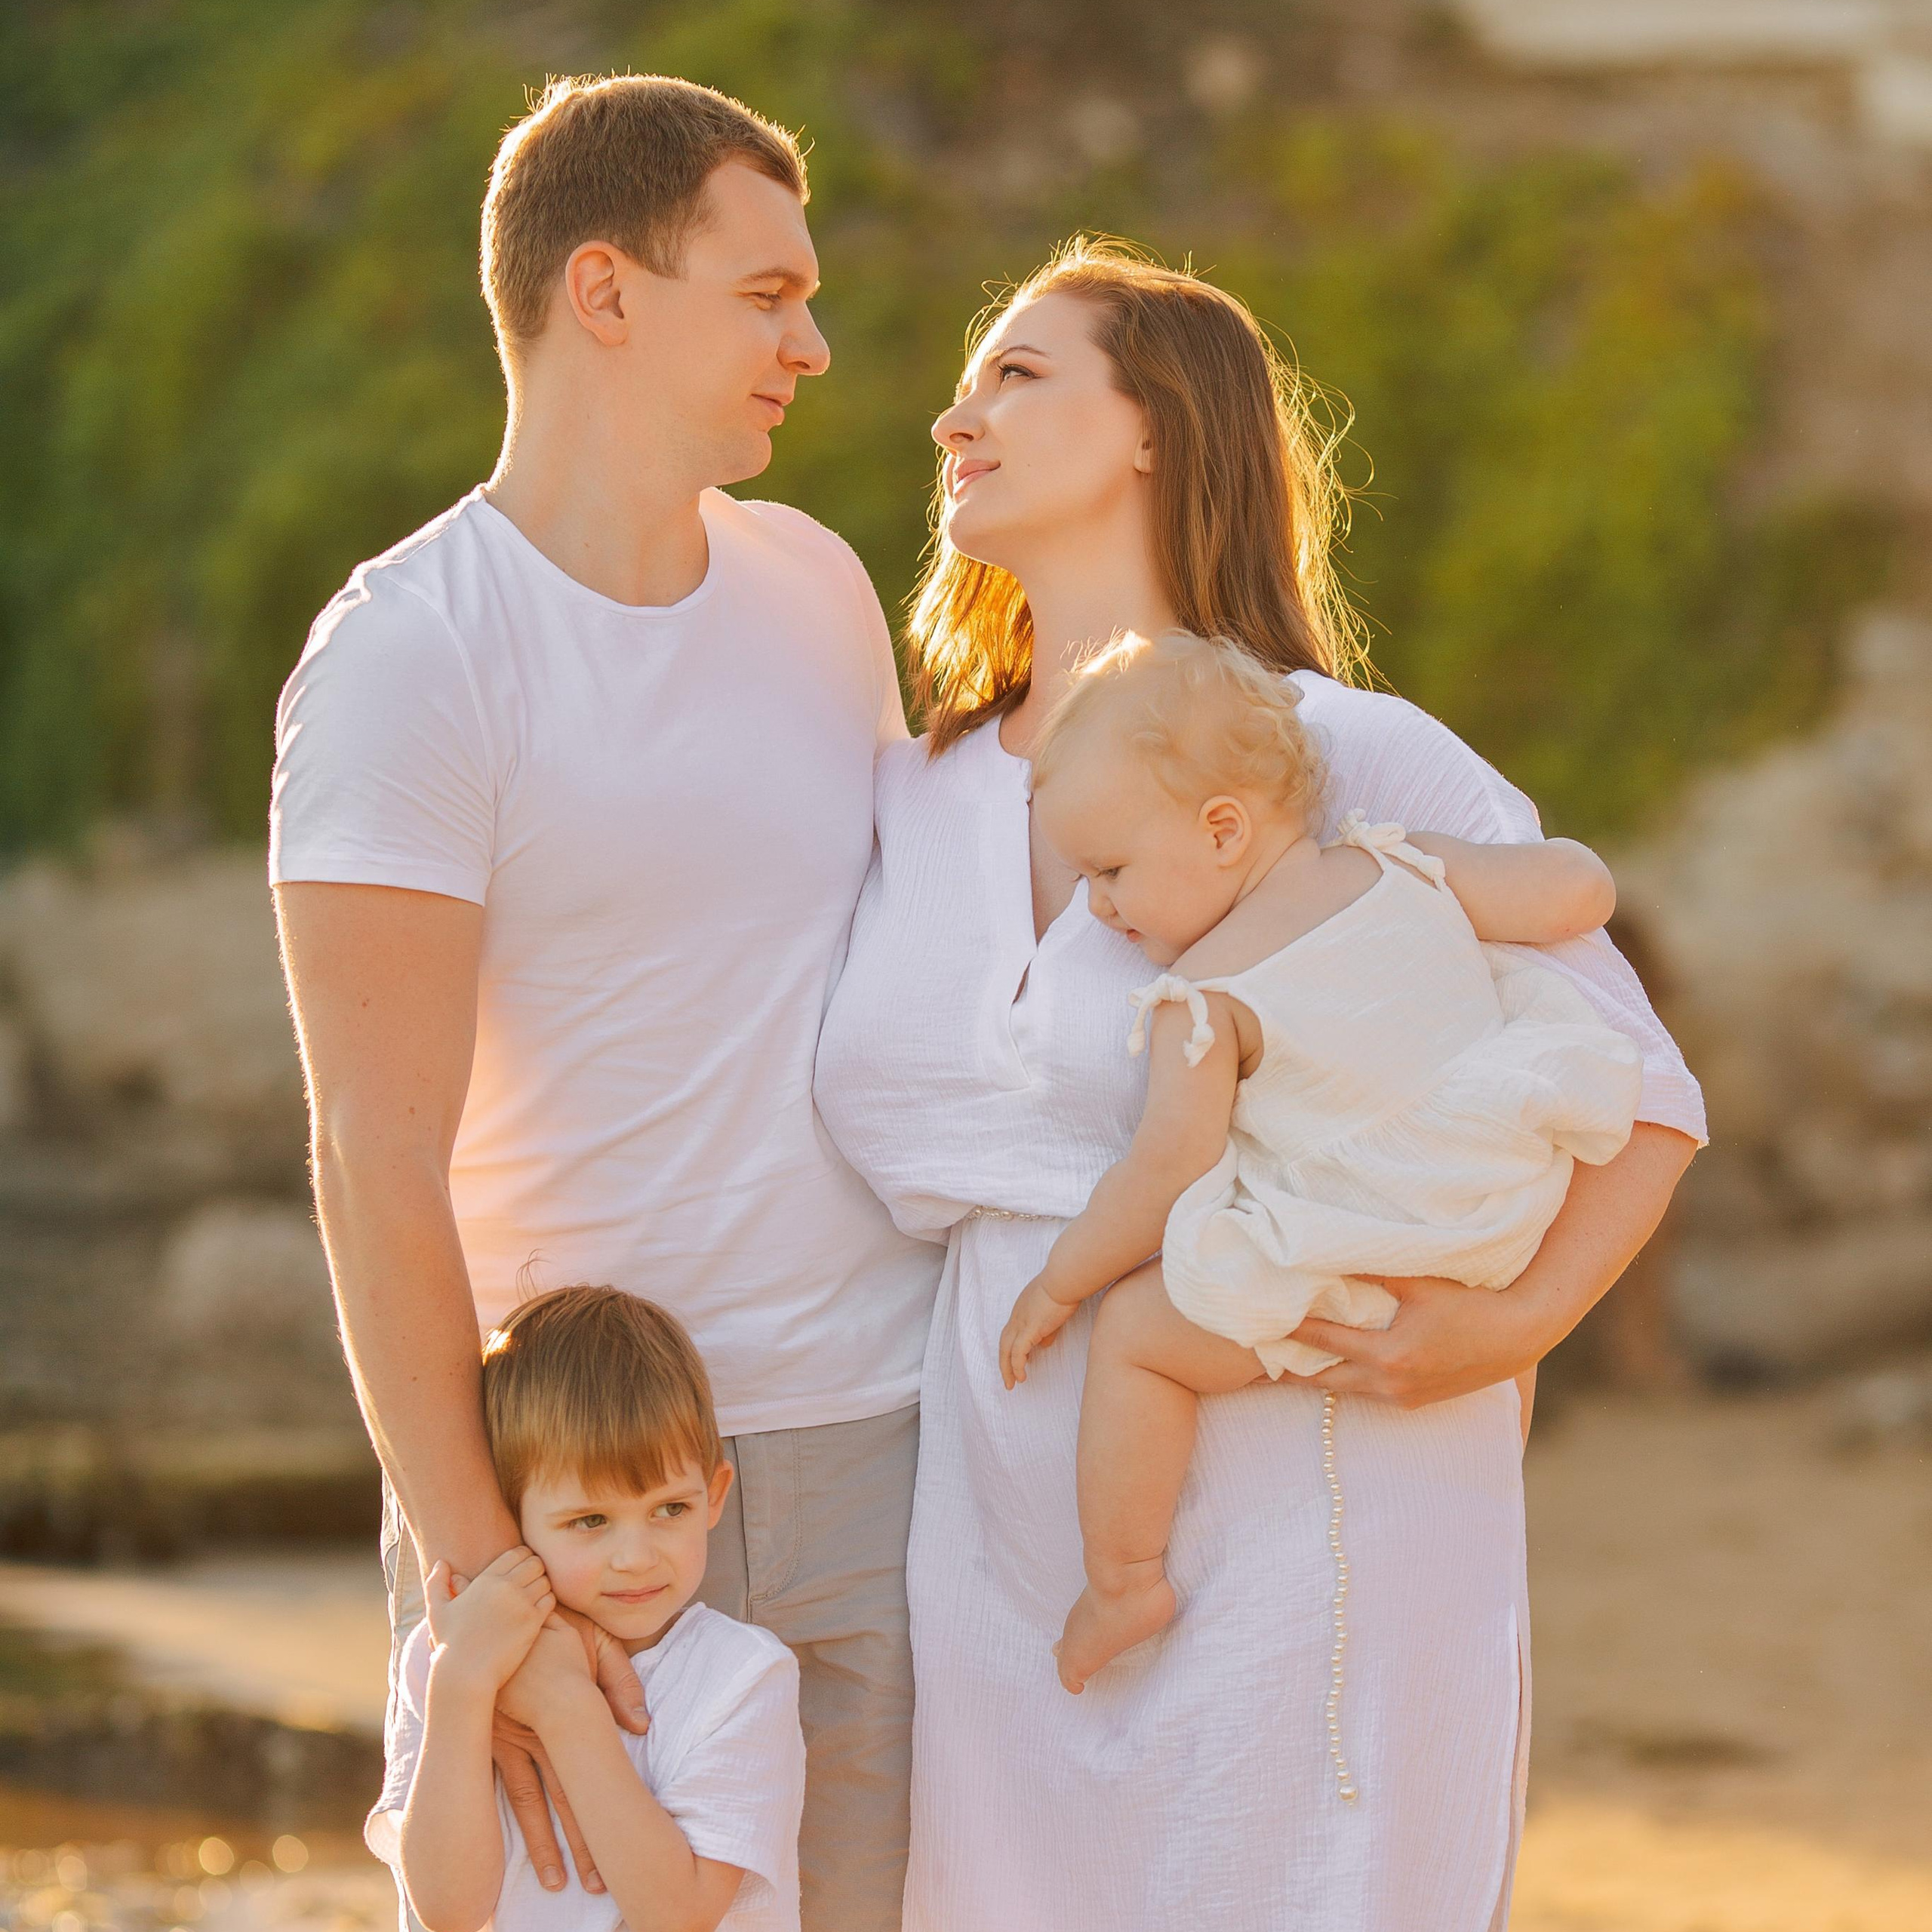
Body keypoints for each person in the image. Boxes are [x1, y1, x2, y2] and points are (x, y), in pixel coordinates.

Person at [813, 241, 1706, 1929]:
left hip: (1322, 1509)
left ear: (1154, 425)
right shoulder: (904, 790)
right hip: (1003, 1542)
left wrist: (1509, 1329)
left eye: (1012, 374)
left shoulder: (1325, 752)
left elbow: (1644, 1091)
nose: (949, 419)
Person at [272, 75, 937, 1932]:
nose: (810, 344)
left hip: (869, 1446)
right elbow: (371, 1154)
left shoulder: (816, 589)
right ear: (604, 290)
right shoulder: (412, 652)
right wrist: (506, 1603)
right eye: (766, 292)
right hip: (574, 1491)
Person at [995, 628, 1644, 1701]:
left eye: (1111, 873)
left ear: (1220, 830)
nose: (1100, 910)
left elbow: (1163, 1173)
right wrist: (1561, 864)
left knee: (1140, 1337)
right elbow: (1578, 893)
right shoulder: (1402, 864)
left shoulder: (1206, 998)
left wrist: (1062, 1282)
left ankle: (1124, 1581)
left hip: (1377, 1240)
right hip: (1503, 1196)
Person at [369, 1286, 804, 1932]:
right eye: (590, 1520)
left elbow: (678, 1914)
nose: (636, 1556)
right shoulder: (442, 1660)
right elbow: (446, 1909)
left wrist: (566, 1708)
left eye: (670, 1509)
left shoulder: (741, 1678)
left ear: (715, 1495)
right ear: (508, 1511)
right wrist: (461, 1685)